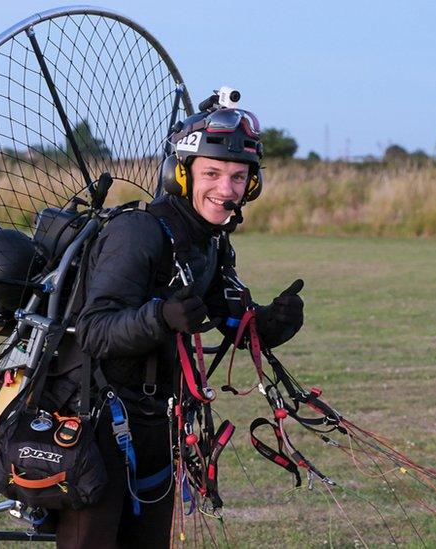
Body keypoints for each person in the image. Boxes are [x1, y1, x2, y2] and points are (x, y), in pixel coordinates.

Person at [54, 101, 305, 548]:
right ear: (182, 175)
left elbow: (234, 320)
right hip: (95, 424)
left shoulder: (210, 244)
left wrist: (272, 323)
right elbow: (93, 331)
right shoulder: (138, 233)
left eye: (237, 176)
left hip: (158, 422)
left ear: (253, 184)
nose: (225, 189)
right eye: (211, 174)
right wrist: (159, 317)